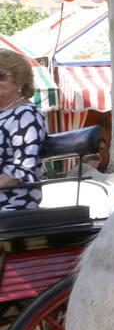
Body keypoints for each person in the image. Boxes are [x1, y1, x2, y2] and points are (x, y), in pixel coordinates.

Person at [0, 51, 46, 211]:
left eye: (1, 75)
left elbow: (22, 169)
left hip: (12, 202)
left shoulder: (27, 114)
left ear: (20, 80)